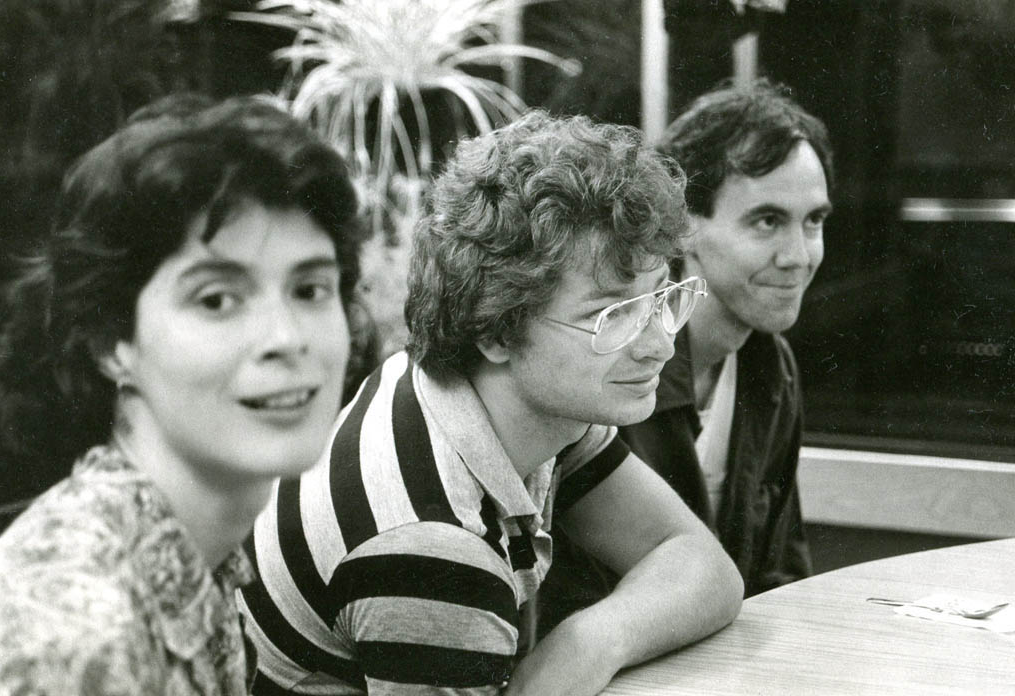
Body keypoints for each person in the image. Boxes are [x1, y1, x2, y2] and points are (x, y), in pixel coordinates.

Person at [238, 110, 744, 696]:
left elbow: (703, 566)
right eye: (614, 314)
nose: (661, 343)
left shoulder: (485, 398)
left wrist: (588, 642)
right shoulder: (434, 548)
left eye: (661, 297)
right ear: (497, 331)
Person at [0, 94, 361, 694]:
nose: (287, 339)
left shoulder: (200, 554)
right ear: (113, 343)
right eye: (217, 299)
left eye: (311, 288)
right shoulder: (74, 639)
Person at [539, 78, 834, 634]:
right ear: (686, 226)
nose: (799, 256)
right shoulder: (610, 364)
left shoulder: (772, 368)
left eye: (813, 221)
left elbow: (782, 578)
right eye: (767, 221)